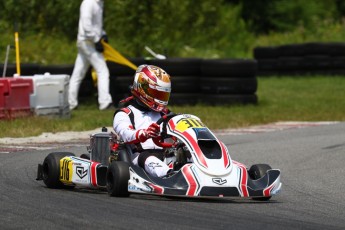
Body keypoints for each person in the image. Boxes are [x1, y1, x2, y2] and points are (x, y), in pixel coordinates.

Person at [113, 65, 172, 177]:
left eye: (164, 95)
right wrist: (143, 133)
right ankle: (168, 175)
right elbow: (125, 134)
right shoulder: (125, 114)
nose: (161, 99)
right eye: (158, 94)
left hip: (165, 155)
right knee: (148, 158)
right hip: (139, 157)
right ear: (143, 89)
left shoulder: (166, 114)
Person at [68, 0, 113, 111]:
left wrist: (103, 34)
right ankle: (105, 103)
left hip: (87, 42)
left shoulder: (98, 3)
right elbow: (86, 25)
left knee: (78, 73)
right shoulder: (89, 3)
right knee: (103, 70)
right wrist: (97, 39)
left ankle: (70, 103)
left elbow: (96, 24)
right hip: (87, 42)